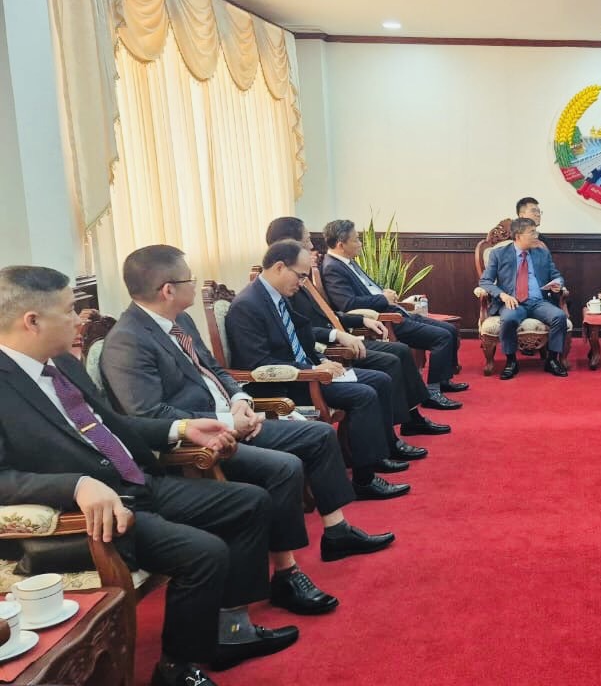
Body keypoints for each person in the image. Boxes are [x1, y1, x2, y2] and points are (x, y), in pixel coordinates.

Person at [0, 265, 297, 686]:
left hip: (137, 481)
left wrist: (182, 428)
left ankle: (229, 630)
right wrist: (75, 485)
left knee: (249, 502)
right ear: (32, 321)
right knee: (204, 553)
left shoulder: (61, 363)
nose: (79, 319)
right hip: (90, 517)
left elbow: (113, 425)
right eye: (68, 310)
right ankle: (176, 669)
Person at [101, 245, 396, 587]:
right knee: (285, 467)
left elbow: (215, 369)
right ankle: (286, 574)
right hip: (203, 439)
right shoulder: (128, 341)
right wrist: (228, 422)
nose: (194, 285)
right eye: (189, 280)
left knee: (319, 435)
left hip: (233, 417)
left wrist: (240, 399)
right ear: (168, 290)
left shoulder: (179, 320)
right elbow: (150, 414)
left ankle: (337, 532)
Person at [225, 240, 412, 500]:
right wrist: (313, 369)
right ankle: (364, 480)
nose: (303, 283)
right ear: (279, 267)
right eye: (300, 276)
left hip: (309, 372)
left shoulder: (277, 296)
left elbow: (304, 334)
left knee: (380, 380)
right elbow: (258, 363)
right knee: (364, 394)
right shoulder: (247, 305)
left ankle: (375, 455)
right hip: (289, 385)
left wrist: (324, 357)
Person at [264, 216, 447, 445]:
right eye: (307, 240)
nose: (312, 246)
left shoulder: (299, 279)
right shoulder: (285, 287)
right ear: (289, 244)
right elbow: (307, 330)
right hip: (324, 354)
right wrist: (330, 346)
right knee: (391, 361)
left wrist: (361, 320)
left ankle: (410, 419)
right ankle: (395, 435)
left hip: (334, 342)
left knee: (400, 351)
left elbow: (328, 315)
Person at [320, 219, 465, 411]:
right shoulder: (333, 267)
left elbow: (366, 290)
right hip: (384, 320)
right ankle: (432, 393)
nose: (360, 243)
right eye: (356, 240)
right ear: (341, 244)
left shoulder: (348, 262)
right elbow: (347, 304)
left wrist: (384, 293)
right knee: (442, 336)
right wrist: (383, 299)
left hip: (392, 310)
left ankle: (443, 381)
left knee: (449, 329)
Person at [478, 217, 569, 379]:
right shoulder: (499, 254)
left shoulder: (542, 253)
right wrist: (503, 295)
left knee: (559, 316)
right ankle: (511, 361)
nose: (536, 236)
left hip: (539, 302)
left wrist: (558, 284)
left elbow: (556, 275)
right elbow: (485, 281)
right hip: (513, 302)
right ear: (519, 236)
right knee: (509, 319)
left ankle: (552, 360)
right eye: (532, 232)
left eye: (536, 232)